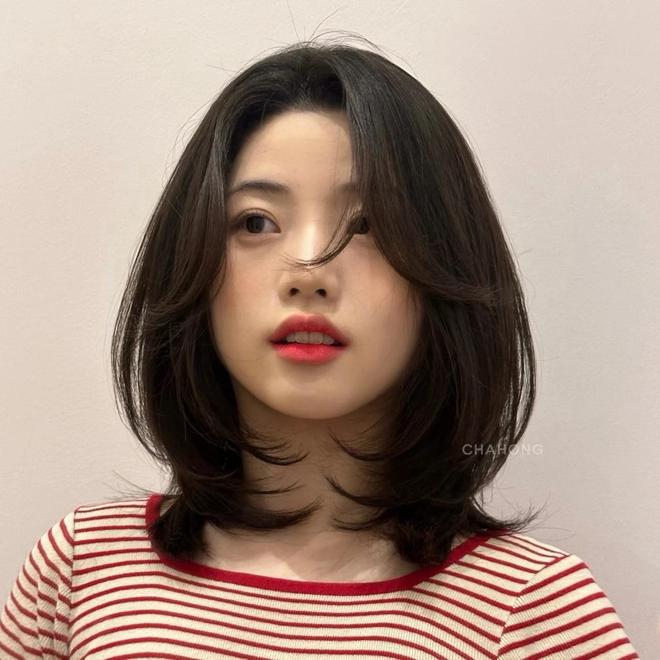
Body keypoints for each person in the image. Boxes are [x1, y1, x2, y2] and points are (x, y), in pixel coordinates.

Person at [0, 35, 639, 658]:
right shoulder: (82, 569)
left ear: (445, 272)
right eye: (256, 222)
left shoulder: (532, 611)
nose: (308, 268)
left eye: (369, 225)